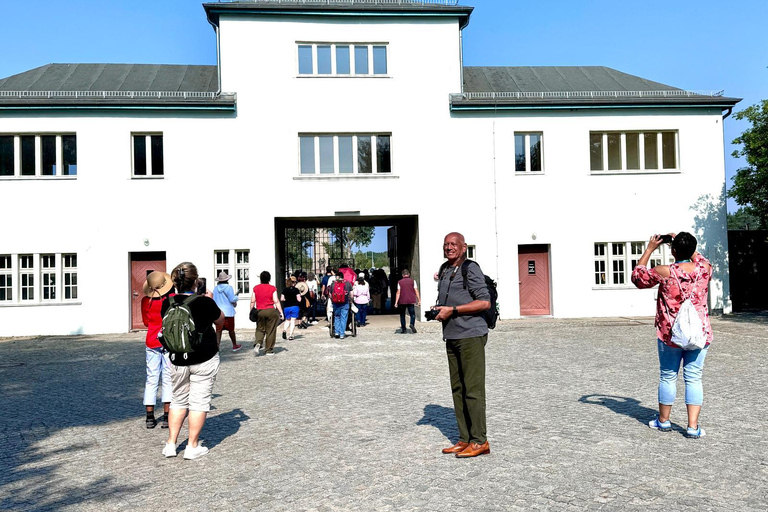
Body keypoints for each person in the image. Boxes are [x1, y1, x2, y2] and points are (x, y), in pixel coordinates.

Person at [631, 232, 713, 439]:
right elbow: (699, 257)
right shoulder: (704, 269)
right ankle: (693, 427)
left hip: (670, 334)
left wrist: (650, 248)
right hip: (699, 333)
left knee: (668, 376)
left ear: (672, 250)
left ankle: (664, 421)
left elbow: (638, 278)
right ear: (693, 249)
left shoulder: (665, 271)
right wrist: (684, 244)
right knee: (694, 378)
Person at [432, 232, 491, 458]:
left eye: (453, 244)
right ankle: (465, 438)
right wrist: (440, 309)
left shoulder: (471, 268)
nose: (449, 248)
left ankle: (480, 440)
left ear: (463, 247)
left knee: (473, 390)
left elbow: (484, 301)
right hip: (452, 335)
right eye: (446, 244)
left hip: (471, 335)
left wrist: (454, 310)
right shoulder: (446, 269)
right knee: (458, 389)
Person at [160, 262, 224, 460]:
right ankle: (192, 446)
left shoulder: (167, 303)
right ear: (196, 281)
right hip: (204, 357)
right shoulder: (205, 302)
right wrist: (210, 301)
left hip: (177, 359)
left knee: (178, 400)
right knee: (199, 402)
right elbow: (221, 320)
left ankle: (171, 444)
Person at [140, 271, 174, 429]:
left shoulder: (145, 301)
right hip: (167, 340)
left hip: (151, 340)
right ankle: (167, 417)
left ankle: (149, 417)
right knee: (168, 377)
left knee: (151, 378)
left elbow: (146, 322)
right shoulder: (170, 299)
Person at [250, 271, 284, 356]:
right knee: (271, 330)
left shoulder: (256, 288)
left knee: (260, 328)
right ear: (269, 279)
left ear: (260, 279)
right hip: (271, 311)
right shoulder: (272, 288)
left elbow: (252, 301)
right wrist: (281, 312)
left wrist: (251, 311)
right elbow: (276, 301)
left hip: (260, 311)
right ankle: (269, 350)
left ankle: (258, 342)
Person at [212, 271, 242, 351]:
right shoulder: (229, 287)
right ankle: (234, 345)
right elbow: (232, 299)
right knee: (231, 330)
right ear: (227, 280)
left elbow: (214, 300)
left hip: (219, 313)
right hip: (228, 312)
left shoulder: (215, 289)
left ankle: (217, 347)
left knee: (218, 330)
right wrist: (236, 297)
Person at [394, 268, 421, 334]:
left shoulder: (400, 282)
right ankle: (412, 324)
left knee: (402, 315)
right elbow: (416, 291)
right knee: (412, 314)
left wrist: (396, 302)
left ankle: (404, 329)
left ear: (402, 275)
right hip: (411, 300)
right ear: (408, 274)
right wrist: (419, 300)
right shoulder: (413, 281)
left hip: (402, 301)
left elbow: (398, 292)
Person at [330, 273, 353, 339]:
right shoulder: (348, 283)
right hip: (345, 303)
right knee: (344, 318)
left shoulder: (333, 284)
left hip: (336, 303)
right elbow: (351, 294)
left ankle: (337, 332)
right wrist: (351, 300)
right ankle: (342, 334)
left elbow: (330, 294)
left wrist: (332, 301)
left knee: (337, 317)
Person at [281, 276, 301, 341]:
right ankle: (290, 335)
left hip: (286, 307)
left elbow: (282, 299)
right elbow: (299, 299)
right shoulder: (296, 290)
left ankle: (284, 330)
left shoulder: (284, 290)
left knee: (287, 320)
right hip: (294, 307)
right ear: (294, 283)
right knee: (293, 321)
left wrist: (286, 299)